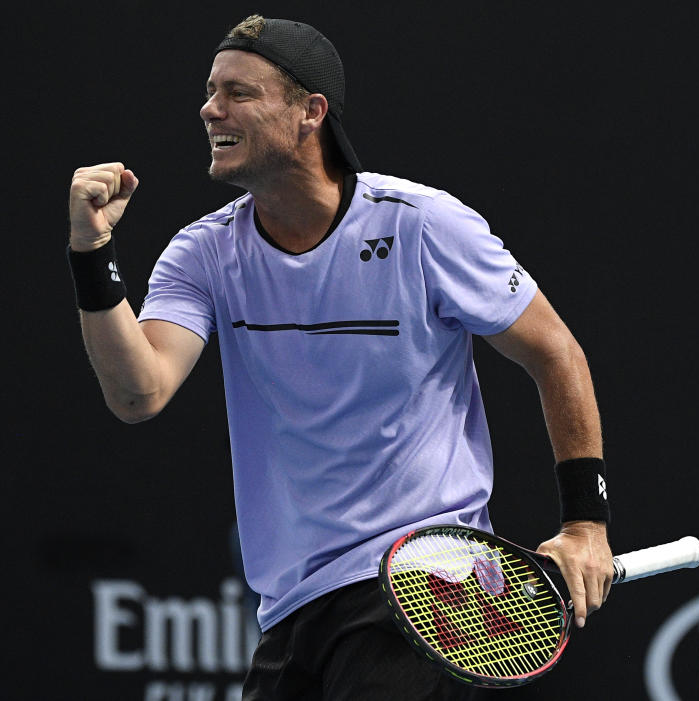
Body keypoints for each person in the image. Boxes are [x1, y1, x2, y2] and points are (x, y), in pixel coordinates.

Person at [67, 15, 613, 700]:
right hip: (294, 607)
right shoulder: (204, 253)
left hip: (427, 589)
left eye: (238, 93)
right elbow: (137, 392)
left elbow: (555, 350)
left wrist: (585, 524)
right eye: (210, 91)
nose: (210, 109)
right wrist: (92, 258)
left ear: (309, 112)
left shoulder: (422, 225)